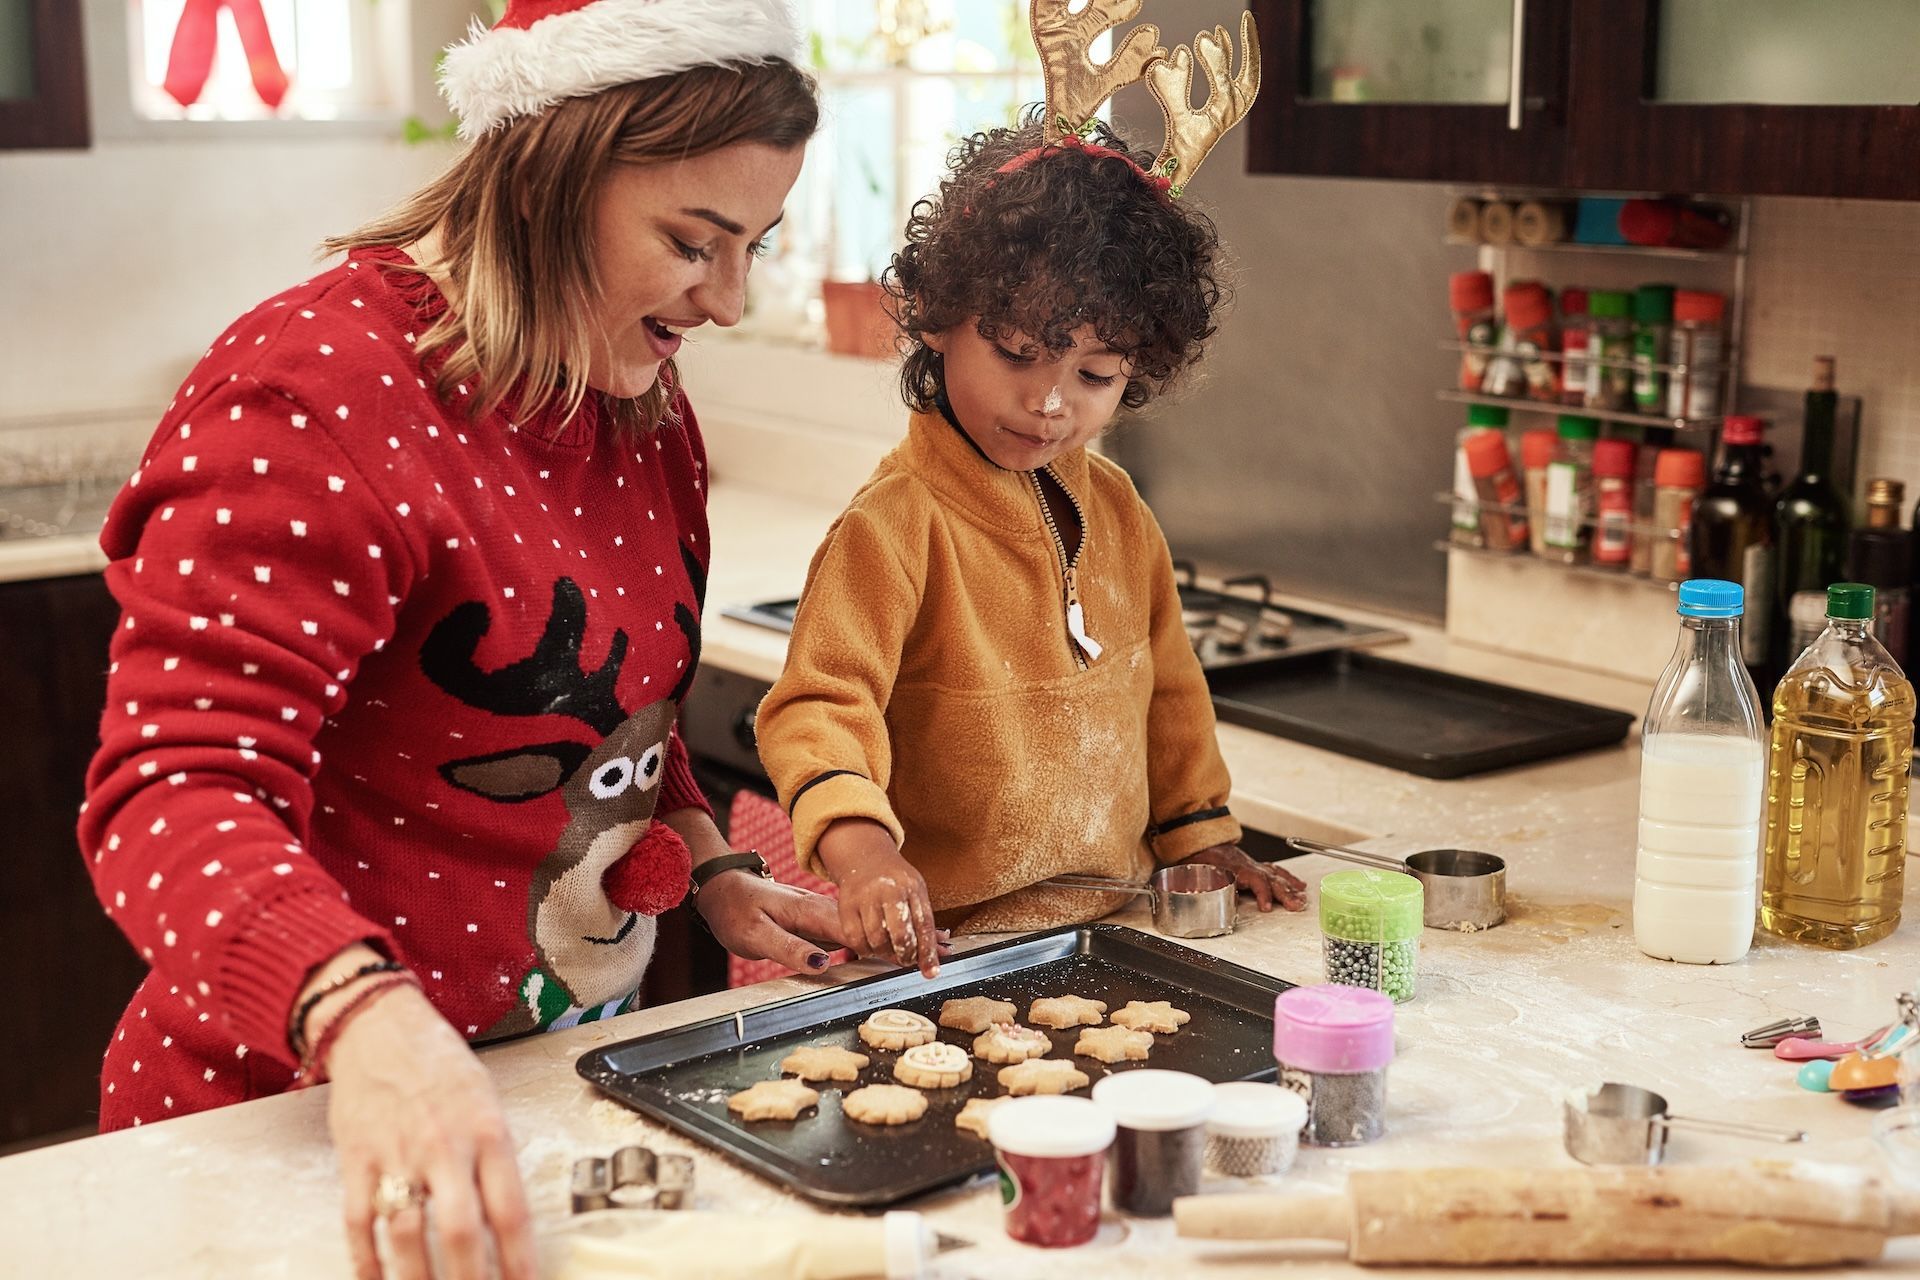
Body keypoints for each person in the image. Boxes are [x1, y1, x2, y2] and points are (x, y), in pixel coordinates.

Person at [78, 3, 846, 1277]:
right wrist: (369, 1022)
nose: (728, 300)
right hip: (290, 1121)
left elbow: (618, 724)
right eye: (693, 243)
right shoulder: (314, 392)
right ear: (551, 173)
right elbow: (171, 789)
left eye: (756, 246)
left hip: (554, 1101)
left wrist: (706, 858)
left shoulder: (633, 398)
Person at [753, 10, 1303, 979]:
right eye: (1017, 353)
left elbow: (1169, 688)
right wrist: (864, 851)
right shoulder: (894, 527)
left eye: (1095, 375)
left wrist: (1200, 836)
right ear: (936, 316)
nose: (1050, 401)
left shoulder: (1122, 510)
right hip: (947, 949)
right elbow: (818, 706)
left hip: (1119, 932)